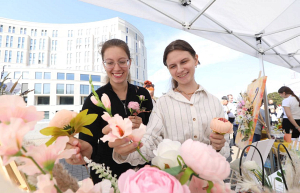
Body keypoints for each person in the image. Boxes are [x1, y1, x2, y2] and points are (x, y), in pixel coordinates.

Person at [108, 39, 230, 167]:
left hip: (208, 180)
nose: (179, 69)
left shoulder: (214, 102)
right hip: (176, 182)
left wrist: (219, 147)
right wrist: (126, 152)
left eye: (184, 62)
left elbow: (225, 147)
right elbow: (150, 142)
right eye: (173, 66)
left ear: (195, 59)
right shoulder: (162, 104)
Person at [65, 39, 153, 184]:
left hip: (142, 173)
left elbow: (154, 134)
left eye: (122, 61)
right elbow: (88, 144)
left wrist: (143, 126)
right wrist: (84, 152)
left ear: (129, 62)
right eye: (110, 62)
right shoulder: (94, 100)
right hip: (108, 176)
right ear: (104, 65)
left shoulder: (141, 94)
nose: (117, 68)